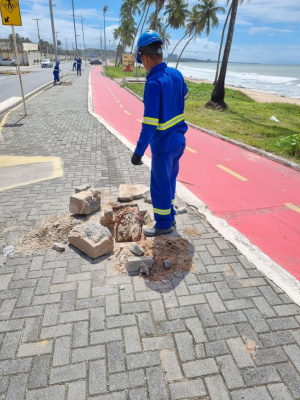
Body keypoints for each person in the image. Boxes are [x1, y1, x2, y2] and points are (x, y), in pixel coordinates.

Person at [131, 30, 188, 237]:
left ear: (144, 57)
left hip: (163, 146)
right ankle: (170, 215)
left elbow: (149, 124)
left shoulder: (153, 83)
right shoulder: (176, 74)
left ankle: (163, 224)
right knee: (170, 181)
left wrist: (138, 151)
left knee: (159, 185)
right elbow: (185, 94)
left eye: (141, 60)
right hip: (179, 142)